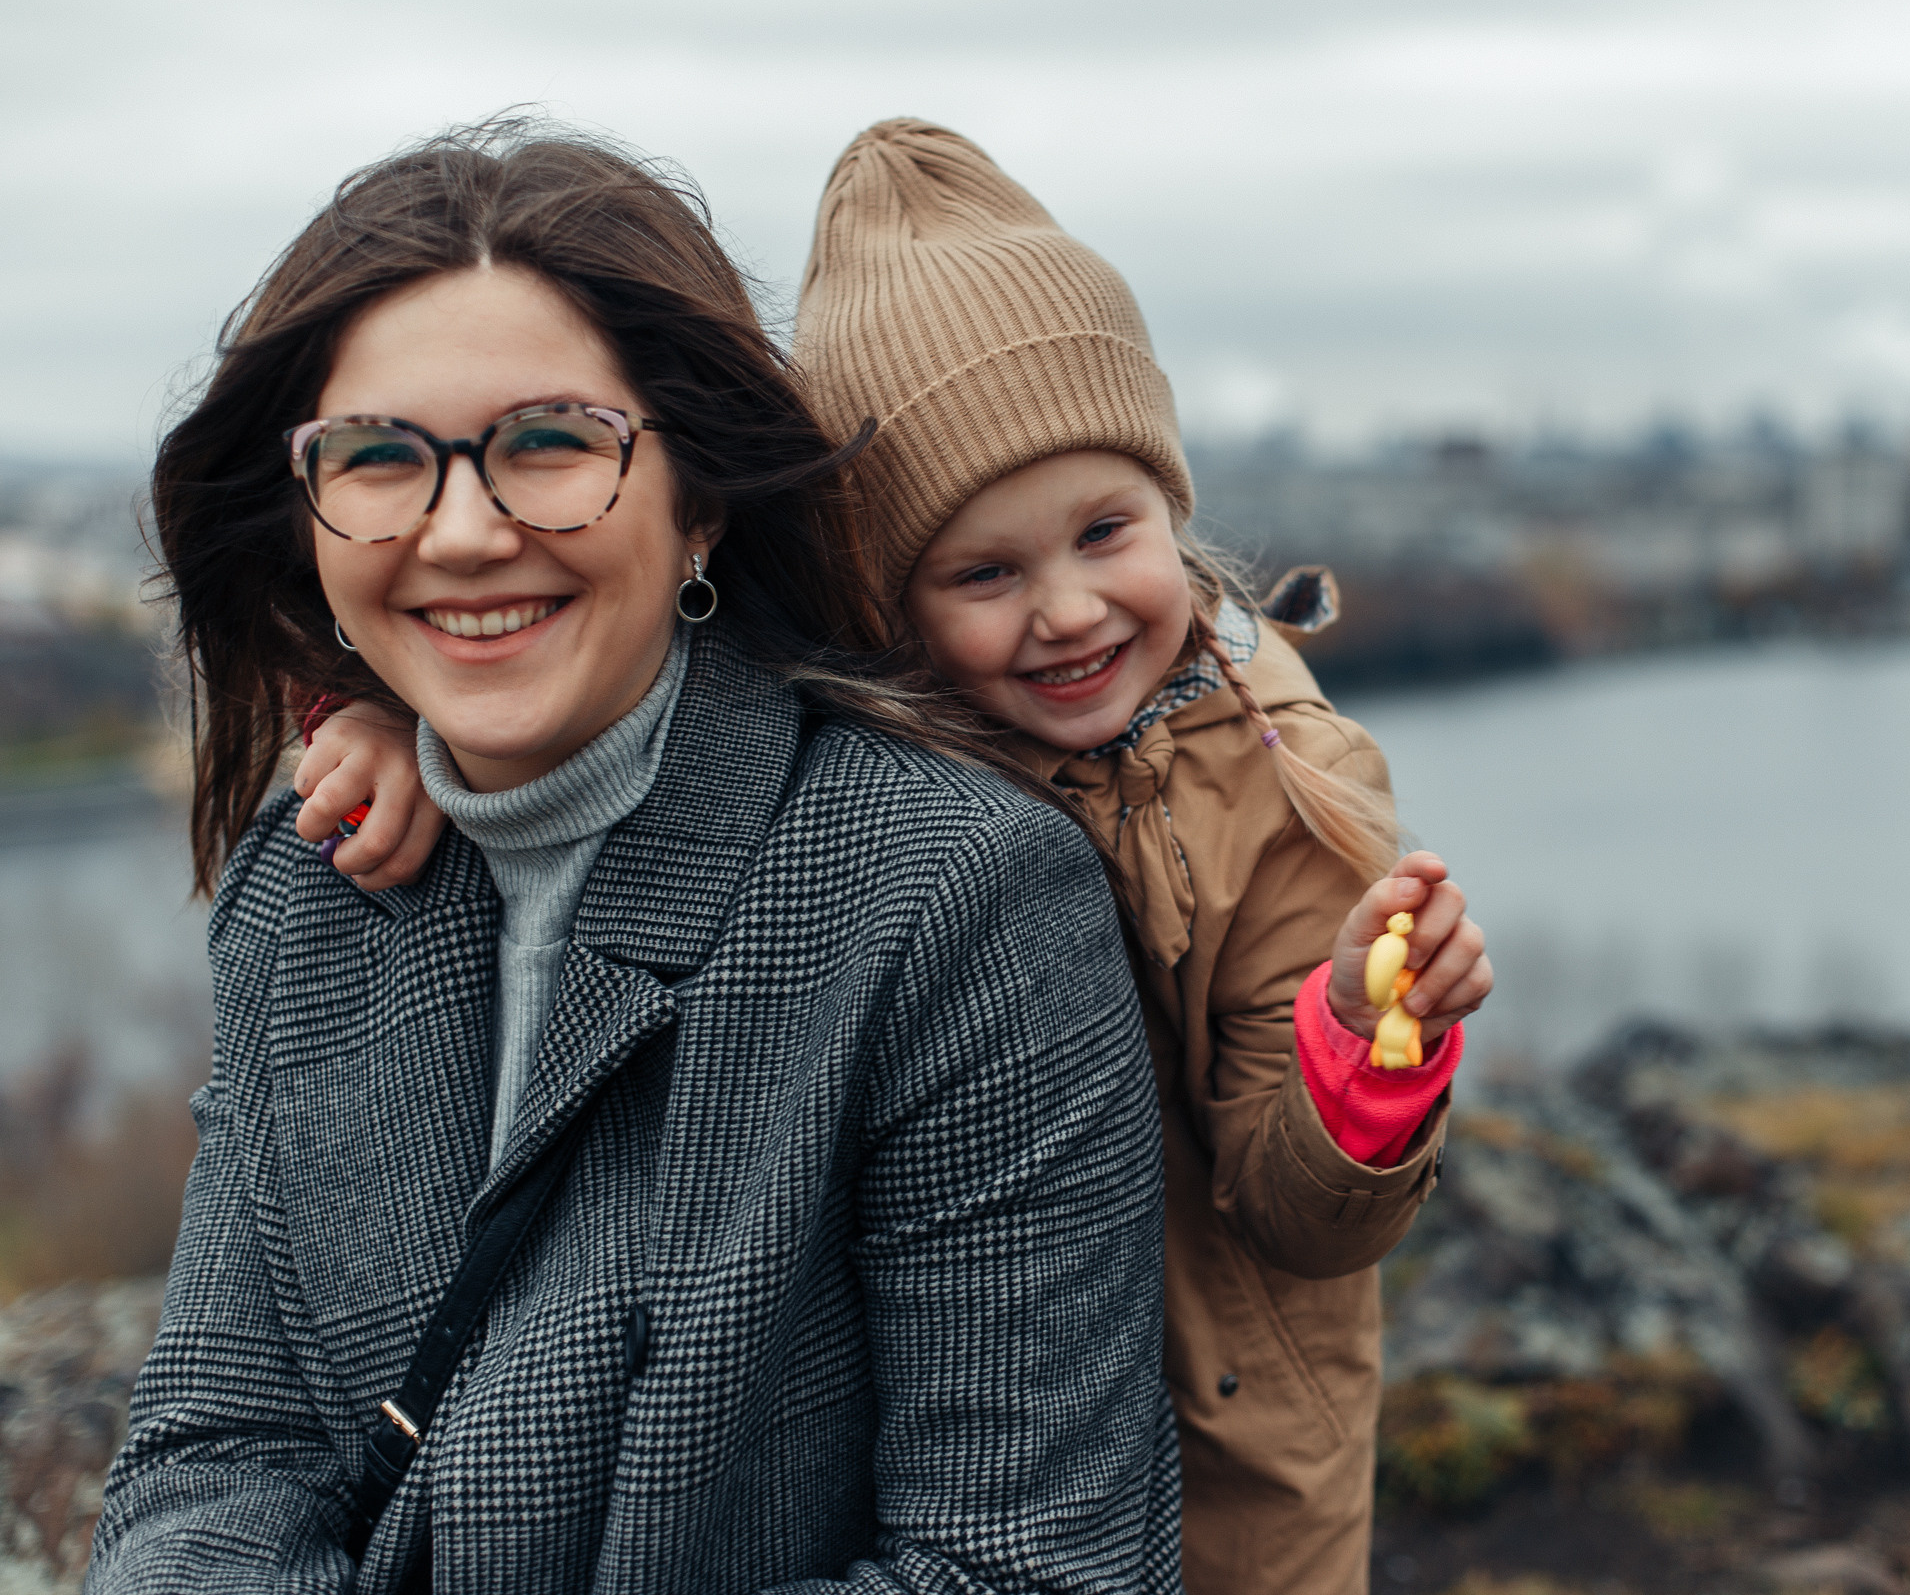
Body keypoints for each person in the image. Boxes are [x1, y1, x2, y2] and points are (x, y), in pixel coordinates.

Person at [311, 119, 1496, 1593]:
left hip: (1223, 1461)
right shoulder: (844, 756)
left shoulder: (1282, 791)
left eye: (1106, 531)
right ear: (881, 599)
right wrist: (390, 722)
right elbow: (592, 660)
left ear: (1172, 510)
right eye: (984, 572)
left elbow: (1305, 1223)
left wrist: (1363, 1058)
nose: (1066, 611)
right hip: (927, 1422)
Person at [88, 122, 1181, 1595]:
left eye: (549, 444)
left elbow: (1030, 1569)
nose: (462, 533)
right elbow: (216, 1456)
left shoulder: (950, 897)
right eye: (380, 459)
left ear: (701, 499)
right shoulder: (311, 885)